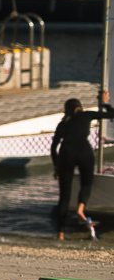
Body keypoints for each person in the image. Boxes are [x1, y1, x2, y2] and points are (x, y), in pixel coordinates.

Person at [50, 90, 113, 239]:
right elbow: (112, 115)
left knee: (64, 197)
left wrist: (57, 166)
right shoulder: (86, 116)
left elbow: (53, 148)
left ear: (66, 110)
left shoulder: (62, 124)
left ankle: (60, 234)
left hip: (66, 154)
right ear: (80, 107)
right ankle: (80, 209)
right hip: (84, 153)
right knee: (86, 183)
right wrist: (104, 103)